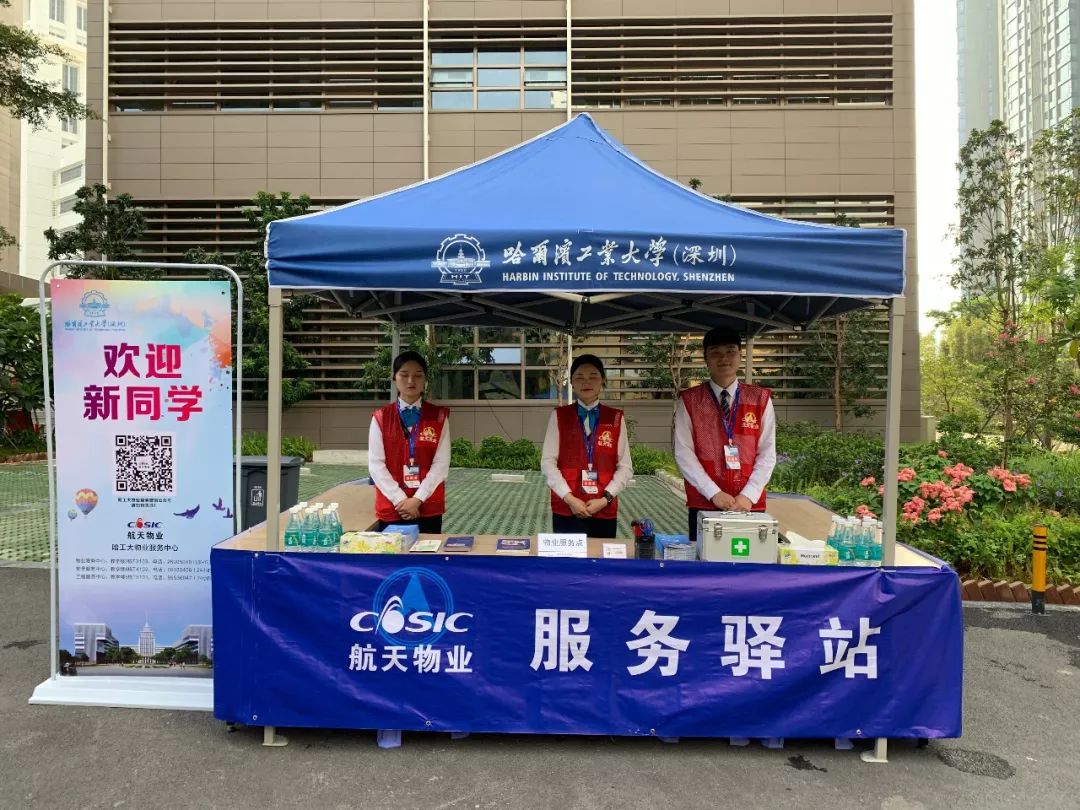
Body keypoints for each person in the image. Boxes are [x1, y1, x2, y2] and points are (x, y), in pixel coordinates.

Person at [674, 327, 777, 541]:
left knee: (748, 559)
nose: (724, 358)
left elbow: (767, 453)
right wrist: (713, 492)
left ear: (740, 355)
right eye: (715, 352)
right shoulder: (690, 401)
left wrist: (748, 495)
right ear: (706, 358)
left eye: (730, 351)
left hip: (749, 505)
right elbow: (684, 453)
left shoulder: (760, 399)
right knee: (704, 559)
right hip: (705, 502)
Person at [541, 354, 633, 539]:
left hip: (603, 507)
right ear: (571, 382)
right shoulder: (559, 416)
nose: (586, 382)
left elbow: (625, 466)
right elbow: (548, 462)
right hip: (567, 507)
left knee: (600, 557)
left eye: (593, 376)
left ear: (603, 381)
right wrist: (569, 498)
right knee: (568, 556)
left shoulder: (615, 418)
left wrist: (605, 499)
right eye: (579, 377)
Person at [368, 351, 451, 533]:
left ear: (425, 379)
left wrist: (417, 499)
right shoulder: (381, 417)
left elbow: (441, 464)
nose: (411, 381)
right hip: (393, 506)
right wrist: (400, 500)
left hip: (428, 505)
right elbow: (375, 465)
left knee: (428, 550)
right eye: (404, 375)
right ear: (394, 378)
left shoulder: (438, 417)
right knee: (393, 551)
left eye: (418, 375)